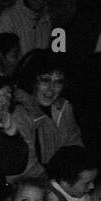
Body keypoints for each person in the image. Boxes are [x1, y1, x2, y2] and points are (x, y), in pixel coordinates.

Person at [12, 51, 83, 181]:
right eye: (45, 80)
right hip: (27, 189)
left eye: (59, 81)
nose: (51, 88)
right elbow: (25, 167)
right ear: (31, 80)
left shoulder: (64, 109)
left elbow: (76, 151)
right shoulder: (18, 112)